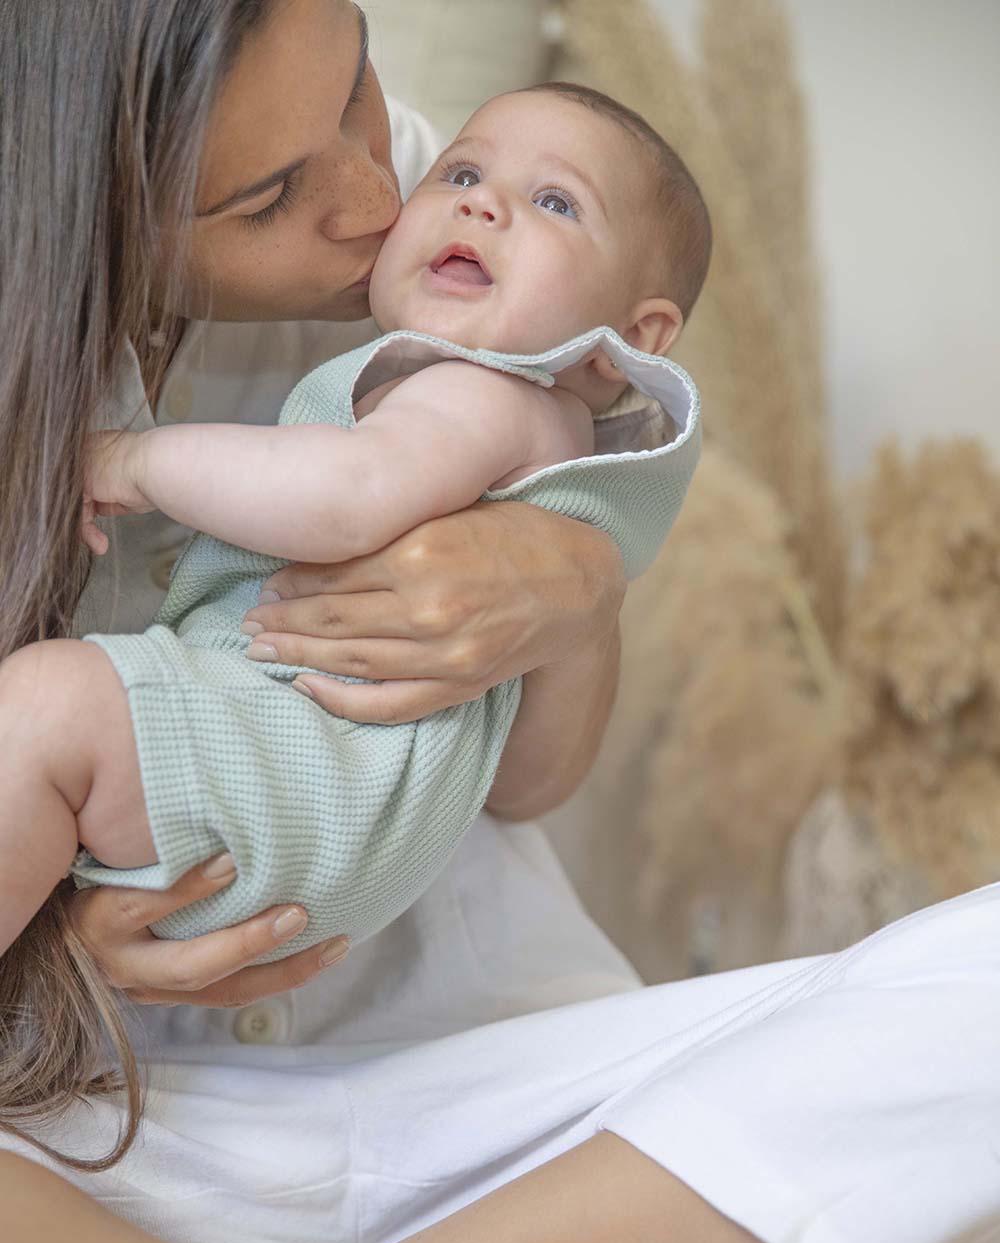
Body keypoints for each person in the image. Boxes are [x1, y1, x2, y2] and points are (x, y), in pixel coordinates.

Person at [3, 4, 999, 1243]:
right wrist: (49, 953)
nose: (386, 190)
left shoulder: (484, 243)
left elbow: (521, 781)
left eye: (359, 83)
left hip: (480, 1075)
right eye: (268, 199)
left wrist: (577, 594)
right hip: (119, 1111)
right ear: (76, 215)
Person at [0, 81, 705, 1137]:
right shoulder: (484, 386)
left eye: (554, 204)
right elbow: (522, 779)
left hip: (309, 795)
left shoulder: (482, 389)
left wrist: (132, 459)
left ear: (626, 341)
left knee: (47, 708)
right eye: (461, 175)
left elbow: (341, 497)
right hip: (307, 838)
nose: (473, 201)